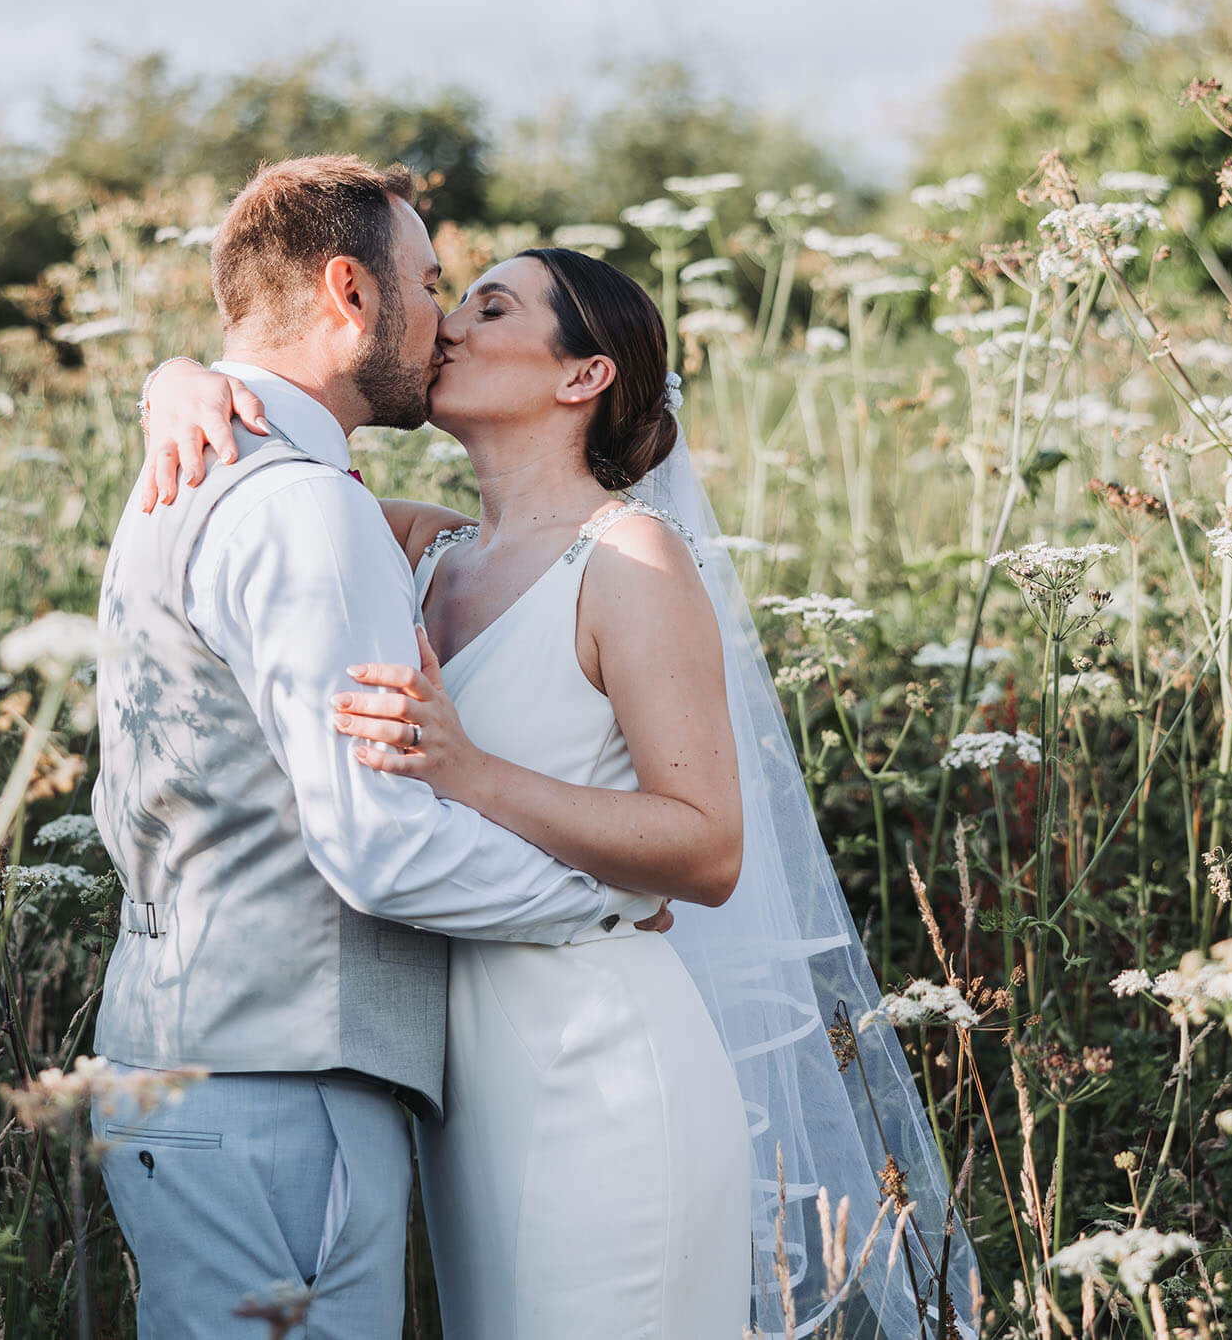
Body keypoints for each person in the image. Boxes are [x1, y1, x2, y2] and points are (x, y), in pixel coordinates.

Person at [140, 234, 978, 1336]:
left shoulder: (630, 559)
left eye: (491, 310)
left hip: (602, 1063)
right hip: (462, 1082)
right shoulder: (423, 552)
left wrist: (472, 773)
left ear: (584, 375)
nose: (448, 326)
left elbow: (706, 845)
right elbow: (270, 462)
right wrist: (175, 383)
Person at [88, 155, 671, 1340]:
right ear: (349, 292)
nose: (443, 321)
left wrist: (175, 377)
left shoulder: (202, 470)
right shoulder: (300, 504)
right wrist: (606, 905)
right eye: (431, 282)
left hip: (192, 1058)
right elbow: (378, 848)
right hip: (278, 1082)